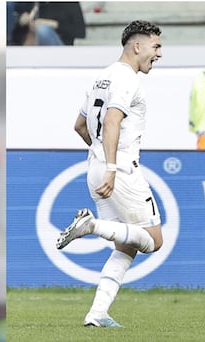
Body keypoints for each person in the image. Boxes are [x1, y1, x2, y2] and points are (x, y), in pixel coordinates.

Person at [55, 20, 163, 328]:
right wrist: (114, 167)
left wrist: (101, 156)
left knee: (125, 247)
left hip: (95, 165)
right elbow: (113, 120)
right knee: (154, 241)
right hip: (121, 167)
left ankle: (97, 313)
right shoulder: (128, 79)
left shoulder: (101, 77)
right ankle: (90, 225)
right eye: (155, 47)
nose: (159, 54)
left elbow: (79, 125)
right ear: (136, 46)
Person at [8, 2, 86, 46]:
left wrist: (54, 24)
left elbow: (81, 32)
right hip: (30, 45)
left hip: (60, 47)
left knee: (43, 30)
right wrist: (20, 21)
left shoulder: (69, 3)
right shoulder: (30, 4)